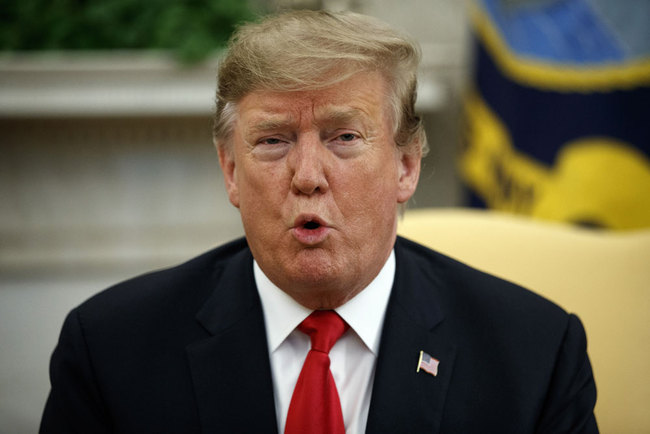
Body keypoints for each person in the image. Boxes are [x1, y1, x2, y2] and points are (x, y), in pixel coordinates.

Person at [40, 10, 598, 434]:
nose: (308, 176)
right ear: (230, 170)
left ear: (406, 166)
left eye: (345, 138)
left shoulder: (534, 355)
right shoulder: (111, 350)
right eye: (273, 141)